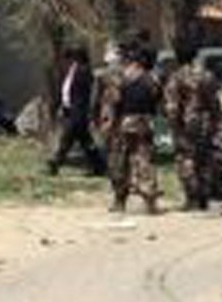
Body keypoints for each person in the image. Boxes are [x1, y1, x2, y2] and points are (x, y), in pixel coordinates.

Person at [162, 37, 222, 210]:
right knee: (205, 159)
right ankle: (204, 196)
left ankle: (192, 198)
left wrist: (172, 126)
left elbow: (172, 106)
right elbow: (215, 103)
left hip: (186, 124)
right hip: (206, 122)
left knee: (186, 158)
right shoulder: (207, 75)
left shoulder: (176, 77)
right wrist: (216, 122)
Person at [102, 44, 162, 214]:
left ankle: (119, 201)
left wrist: (107, 124)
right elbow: (157, 100)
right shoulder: (152, 79)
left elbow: (112, 103)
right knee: (145, 161)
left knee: (120, 162)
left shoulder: (120, 78)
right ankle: (150, 202)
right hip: (146, 123)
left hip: (124, 123)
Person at [47, 44, 105, 176]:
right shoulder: (73, 69)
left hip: (78, 111)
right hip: (71, 109)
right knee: (86, 141)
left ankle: (56, 162)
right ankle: (99, 165)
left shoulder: (84, 71)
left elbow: (84, 94)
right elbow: (68, 90)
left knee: (67, 138)